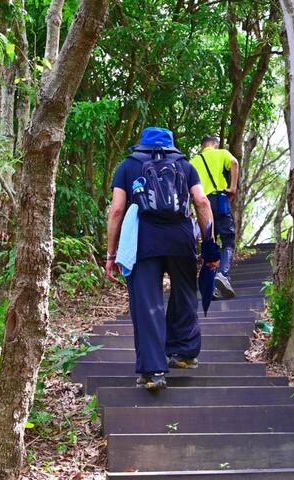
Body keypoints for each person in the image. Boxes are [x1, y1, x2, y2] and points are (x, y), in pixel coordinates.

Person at [105, 127, 215, 390]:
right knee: (185, 293)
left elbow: (117, 210)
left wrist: (111, 253)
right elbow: (201, 201)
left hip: (144, 240)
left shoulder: (127, 166)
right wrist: (210, 245)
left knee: (147, 303)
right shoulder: (185, 165)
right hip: (181, 237)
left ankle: (154, 371)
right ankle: (184, 352)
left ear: (142, 144)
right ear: (171, 145)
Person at [190, 135, 239, 299]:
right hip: (219, 201)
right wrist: (232, 188)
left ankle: (210, 288)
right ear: (214, 144)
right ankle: (222, 275)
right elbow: (234, 163)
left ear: (202, 146)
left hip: (202, 206)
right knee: (228, 240)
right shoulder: (221, 153)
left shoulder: (193, 162)